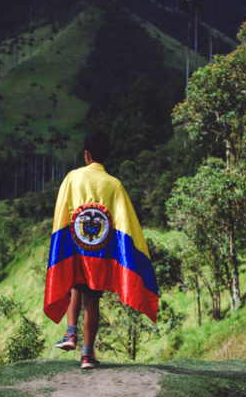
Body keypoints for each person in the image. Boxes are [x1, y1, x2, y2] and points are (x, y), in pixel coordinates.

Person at [43, 130, 158, 369]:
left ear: (86, 155)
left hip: (76, 248)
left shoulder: (72, 177)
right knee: (92, 303)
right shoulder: (114, 184)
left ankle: (71, 334)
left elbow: (62, 214)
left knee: (75, 285)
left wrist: (63, 246)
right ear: (108, 156)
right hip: (100, 254)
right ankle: (87, 355)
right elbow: (124, 223)